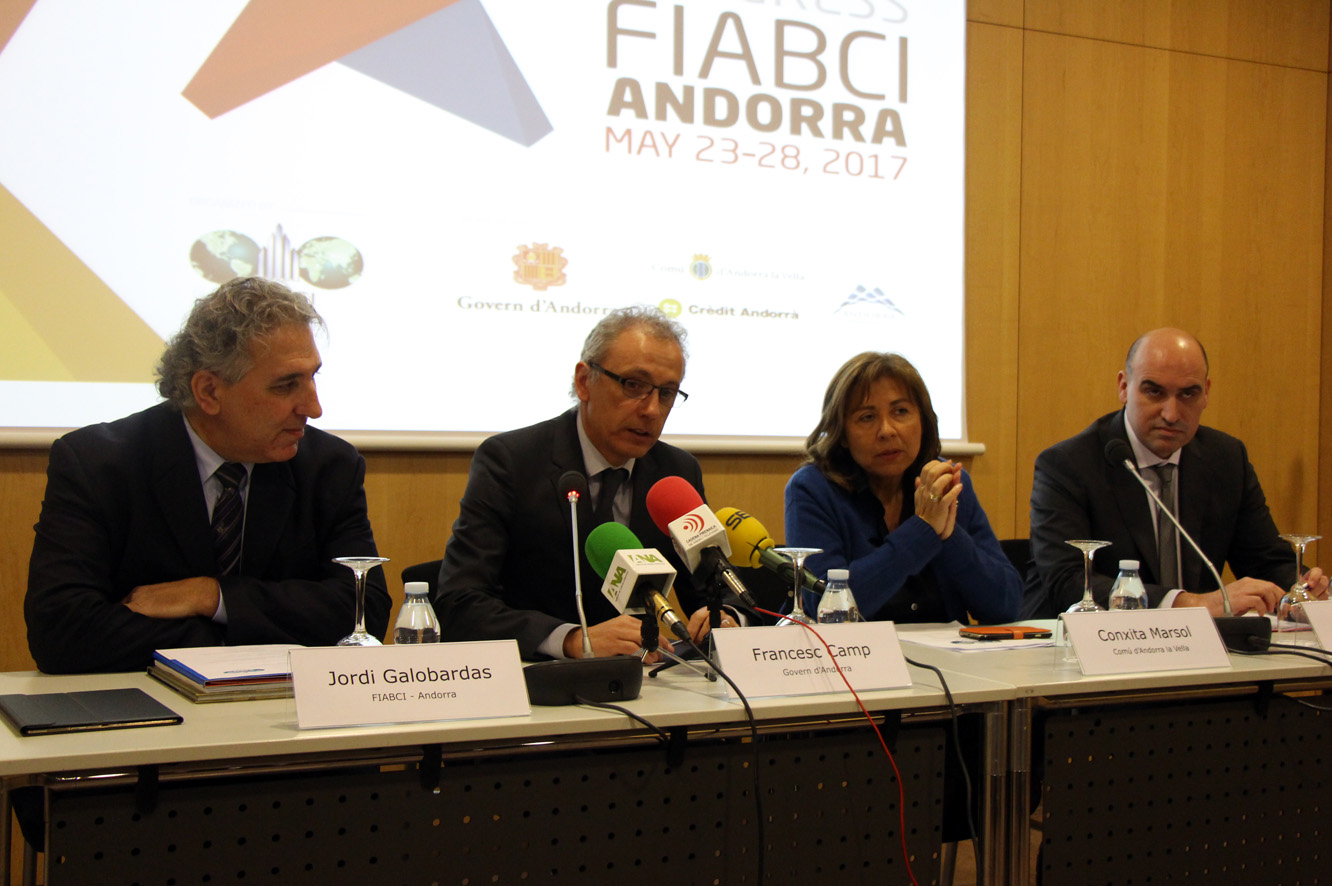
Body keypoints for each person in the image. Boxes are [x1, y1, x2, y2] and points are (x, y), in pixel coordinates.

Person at [25, 277, 390, 674]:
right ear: (209, 392)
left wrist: (213, 597)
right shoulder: (98, 464)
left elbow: (364, 613)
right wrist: (231, 639)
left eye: (312, 377)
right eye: (286, 385)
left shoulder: (329, 466)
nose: (313, 408)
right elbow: (61, 630)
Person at [434, 306, 736, 660]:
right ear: (584, 381)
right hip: (541, 679)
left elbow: (716, 586)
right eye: (634, 385)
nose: (652, 410)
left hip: (647, 680)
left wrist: (727, 616)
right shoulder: (512, 461)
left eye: (667, 393)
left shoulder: (675, 472)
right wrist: (572, 640)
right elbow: (460, 602)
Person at [1024, 327, 1327, 617]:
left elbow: (1264, 560)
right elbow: (1069, 581)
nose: (1171, 414)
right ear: (1124, 387)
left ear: (1206, 393)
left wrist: (1301, 588)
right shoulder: (1068, 464)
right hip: (1073, 643)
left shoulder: (1226, 459)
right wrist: (1191, 603)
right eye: (1154, 392)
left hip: (1194, 644)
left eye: (1187, 394)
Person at [784, 352, 1022, 624]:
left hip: (946, 651)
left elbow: (1006, 607)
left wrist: (948, 534)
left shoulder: (947, 484)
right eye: (867, 417)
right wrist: (923, 530)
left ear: (923, 421)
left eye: (901, 412)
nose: (887, 430)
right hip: (854, 650)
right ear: (842, 433)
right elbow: (825, 608)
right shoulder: (813, 489)